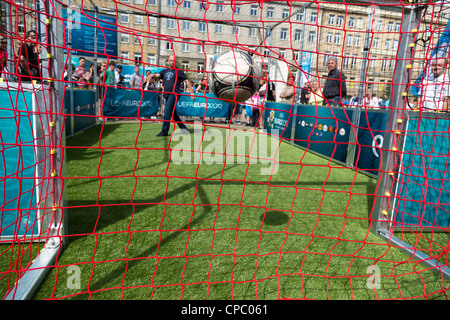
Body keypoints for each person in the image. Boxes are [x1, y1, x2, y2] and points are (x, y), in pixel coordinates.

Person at [153, 55, 195, 136]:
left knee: (167, 111)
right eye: (171, 60)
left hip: (175, 94)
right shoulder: (164, 71)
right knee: (173, 115)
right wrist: (153, 75)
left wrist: (191, 92)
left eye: (174, 61)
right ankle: (184, 129)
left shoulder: (179, 71)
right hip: (166, 94)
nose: (172, 62)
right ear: (168, 61)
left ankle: (164, 131)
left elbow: (187, 81)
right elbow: (157, 75)